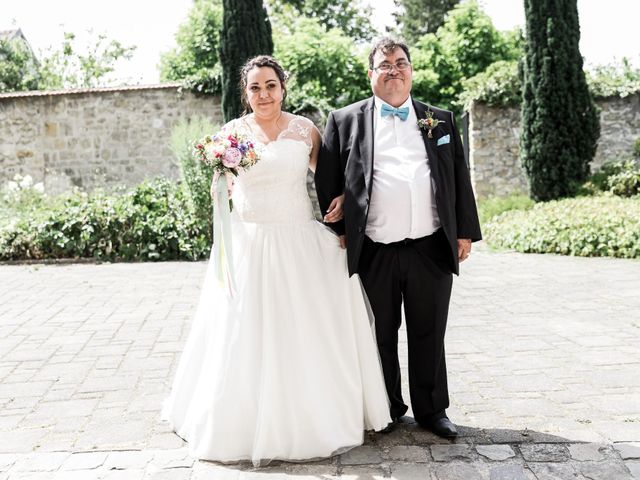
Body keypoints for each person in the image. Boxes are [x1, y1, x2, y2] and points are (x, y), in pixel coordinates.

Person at [161, 55, 391, 466]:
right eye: (255, 88)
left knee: (302, 327)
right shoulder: (231, 135)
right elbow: (226, 190)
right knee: (241, 331)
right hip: (247, 244)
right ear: (245, 93)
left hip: (297, 241)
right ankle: (239, 420)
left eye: (270, 85)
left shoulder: (306, 130)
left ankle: (315, 414)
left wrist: (338, 203)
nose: (263, 94)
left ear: (283, 87)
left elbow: (331, 180)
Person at [315, 38, 482, 438]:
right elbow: (327, 180)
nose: (393, 70)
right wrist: (340, 229)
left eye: (401, 63)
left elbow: (458, 176)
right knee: (380, 333)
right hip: (374, 249)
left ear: (411, 70)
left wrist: (464, 231)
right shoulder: (344, 120)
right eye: (384, 64)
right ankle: (387, 407)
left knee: (429, 331)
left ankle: (432, 409)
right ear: (370, 73)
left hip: (429, 245)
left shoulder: (438, 119)